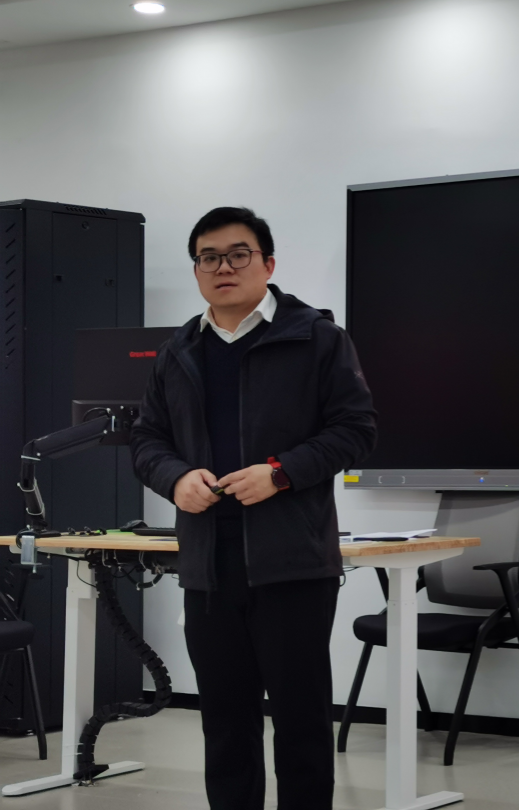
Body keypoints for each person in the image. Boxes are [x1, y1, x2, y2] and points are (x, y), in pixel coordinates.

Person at [131, 207, 376, 810]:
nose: (223, 267)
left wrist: (280, 474)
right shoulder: (177, 351)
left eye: (238, 254)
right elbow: (146, 440)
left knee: (301, 724)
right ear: (196, 270)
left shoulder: (317, 338)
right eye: (208, 257)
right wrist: (175, 478)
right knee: (225, 726)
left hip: (292, 562)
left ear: (267, 264)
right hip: (208, 566)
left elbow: (355, 430)